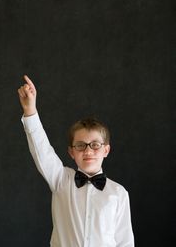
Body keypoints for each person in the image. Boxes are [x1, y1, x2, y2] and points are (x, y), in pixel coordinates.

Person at [18, 75, 134, 247]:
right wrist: (30, 111)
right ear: (71, 152)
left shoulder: (118, 193)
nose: (88, 151)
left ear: (106, 150)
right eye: (80, 145)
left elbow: (125, 242)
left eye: (95, 145)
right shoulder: (61, 180)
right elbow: (42, 151)